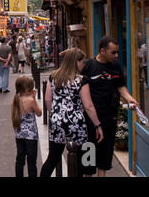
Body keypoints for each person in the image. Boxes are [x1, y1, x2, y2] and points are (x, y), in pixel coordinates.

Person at [40, 48, 103, 177]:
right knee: (79, 160)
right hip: (76, 123)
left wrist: (54, 114)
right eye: (82, 62)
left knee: (52, 158)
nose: (84, 65)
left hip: (57, 121)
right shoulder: (81, 80)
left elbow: (47, 99)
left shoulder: (54, 77)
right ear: (76, 62)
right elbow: (88, 106)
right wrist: (98, 125)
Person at [80, 36, 137, 177]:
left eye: (117, 52)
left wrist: (130, 99)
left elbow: (121, 87)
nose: (116, 55)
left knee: (104, 159)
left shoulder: (115, 66)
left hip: (109, 119)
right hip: (90, 121)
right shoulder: (88, 65)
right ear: (102, 50)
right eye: (113, 52)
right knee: (88, 159)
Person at [11, 75, 42, 177]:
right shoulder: (30, 101)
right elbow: (39, 113)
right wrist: (34, 99)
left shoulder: (15, 100)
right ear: (28, 88)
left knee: (20, 159)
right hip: (31, 135)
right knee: (31, 161)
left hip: (19, 134)